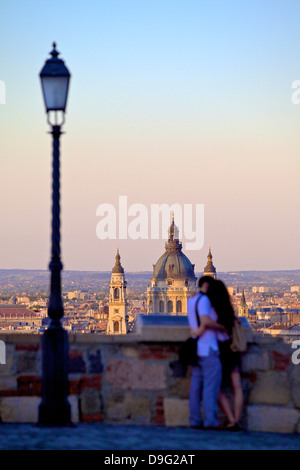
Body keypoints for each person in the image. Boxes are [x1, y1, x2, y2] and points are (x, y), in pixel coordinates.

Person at [192, 279, 243, 431]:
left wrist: (198, 331)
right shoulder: (228, 309)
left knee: (216, 387)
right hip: (233, 349)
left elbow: (206, 323)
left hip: (219, 349)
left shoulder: (211, 309)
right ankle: (236, 420)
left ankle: (230, 419)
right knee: (237, 385)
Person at [187, 276, 226, 429]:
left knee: (195, 388)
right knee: (210, 387)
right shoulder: (204, 300)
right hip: (208, 348)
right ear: (206, 285)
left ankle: (195, 420)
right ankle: (211, 421)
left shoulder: (191, 300)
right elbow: (205, 321)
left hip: (197, 349)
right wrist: (221, 326)